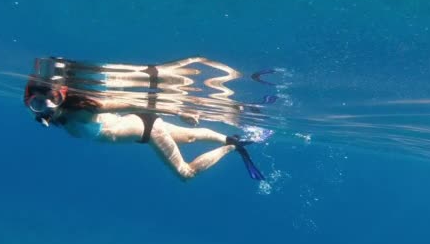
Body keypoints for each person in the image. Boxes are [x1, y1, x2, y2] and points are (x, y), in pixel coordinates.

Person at [23, 56, 265, 181]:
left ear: (62, 94)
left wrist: (179, 111)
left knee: (186, 174)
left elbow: (133, 102)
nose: (48, 107)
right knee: (190, 137)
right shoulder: (56, 116)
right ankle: (232, 139)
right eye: (38, 104)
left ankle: (232, 147)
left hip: (149, 131)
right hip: (143, 127)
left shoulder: (84, 108)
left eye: (52, 98)